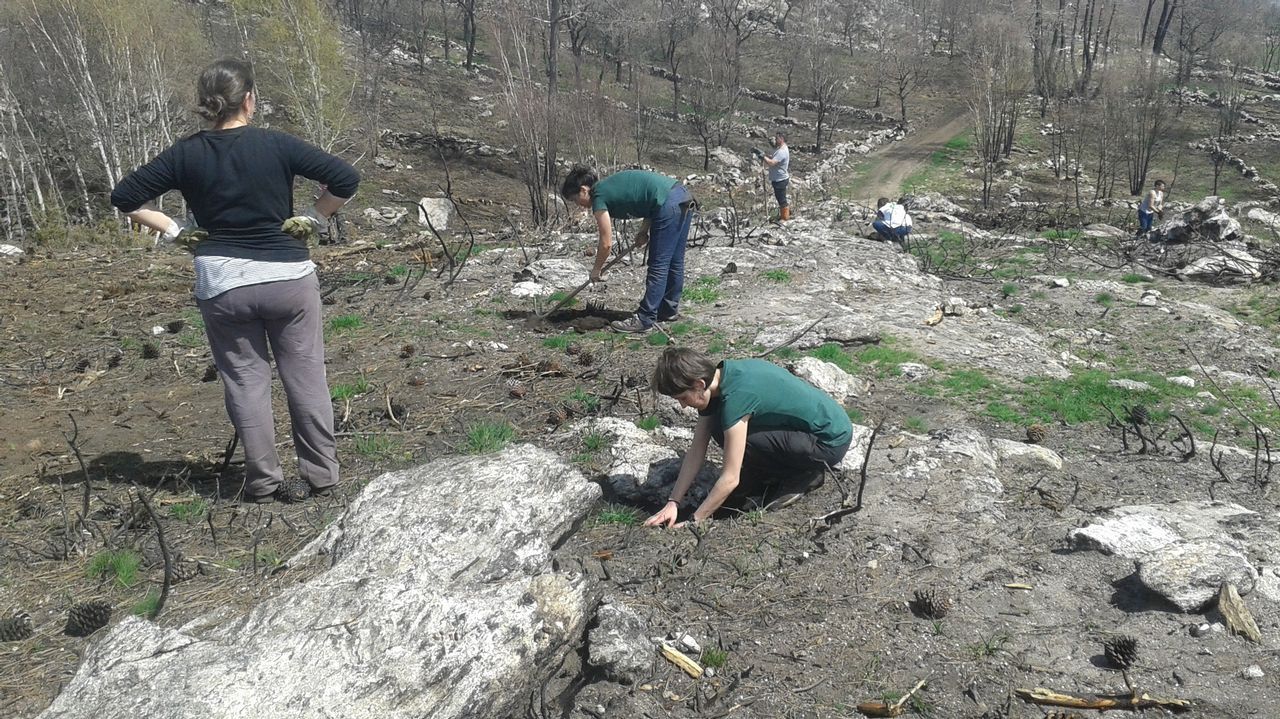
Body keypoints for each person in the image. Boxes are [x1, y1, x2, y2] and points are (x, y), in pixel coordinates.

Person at [110, 59, 359, 503]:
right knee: (305, 377)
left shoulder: (186, 153)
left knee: (246, 381)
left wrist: (175, 232)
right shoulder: (276, 145)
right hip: (288, 278)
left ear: (208, 106)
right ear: (249, 100)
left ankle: (264, 482)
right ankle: (321, 476)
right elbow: (345, 177)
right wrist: (314, 218)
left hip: (223, 283)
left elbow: (124, 196)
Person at [643, 347, 853, 528]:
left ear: (699, 384)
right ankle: (767, 475)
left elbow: (730, 477)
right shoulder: (721, 377)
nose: (682, 405)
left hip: (828, 442)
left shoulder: (735, 399)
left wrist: (695, 520)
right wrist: (673, 502)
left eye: (682, 398)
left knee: (730, 432)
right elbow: (697, 448)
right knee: (720, 429)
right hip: (811, 431)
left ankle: (802, 474)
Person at [561, 166, 695, 333]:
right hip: (681, 195)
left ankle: (645, 319)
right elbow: (651, 197)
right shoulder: (606, 187)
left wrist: (596, 269)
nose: (579, 205)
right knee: (674, 261)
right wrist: (643, 231)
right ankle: (668, 310)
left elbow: (606, 243)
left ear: (583, 190)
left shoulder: (598, 196)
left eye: (575, 200)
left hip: (669, 203)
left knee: (658, 263)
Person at [756, 132, 790, 221]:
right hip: (779, 178)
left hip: (780, 179)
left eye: (777, 138)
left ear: (781, 139)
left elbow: (772, 163)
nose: (775, 140)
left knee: (781, 200)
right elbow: (774, 158)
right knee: (780, 199)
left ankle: (785, 218)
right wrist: (764, 155)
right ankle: (783, 216)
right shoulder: (782, 149)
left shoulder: (782, 151)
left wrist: (763, 157)